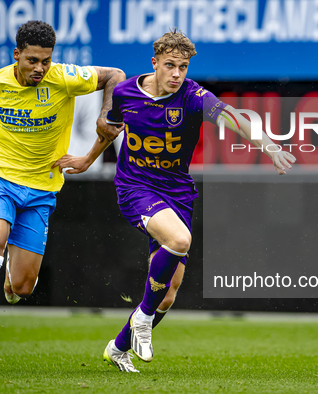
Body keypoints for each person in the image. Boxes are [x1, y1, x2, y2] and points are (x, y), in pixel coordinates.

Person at [97, 29, 296, 372]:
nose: (177, 74)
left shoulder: (192, 95)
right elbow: (109, 130)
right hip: (136, 187)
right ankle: (141, 318)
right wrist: (87, 160)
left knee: (169, 293)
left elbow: (231, 116)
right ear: (154, 62)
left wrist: (268, 145)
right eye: (170, 65)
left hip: (177, 193)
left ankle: (117, 348)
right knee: (179, 240)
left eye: (183, 67)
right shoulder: (126, 92)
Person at [0, 20, 125, 372]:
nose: (40, 68)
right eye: (32, 60)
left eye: (46, 60)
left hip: (42, 187)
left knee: (24, 287)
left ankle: (14, 282)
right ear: (17, 55)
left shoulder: (63, 78)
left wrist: (107, 115)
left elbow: (115, 75)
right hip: (0, 177)